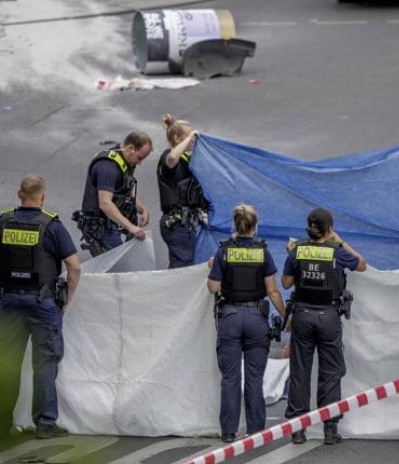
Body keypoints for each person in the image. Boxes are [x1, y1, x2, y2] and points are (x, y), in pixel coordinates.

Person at [0, 174, 81, 440]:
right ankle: (45, 424)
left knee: (9, 364)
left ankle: (0, 426)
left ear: (18, 194)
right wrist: (67, 299)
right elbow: (74, 267)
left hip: (11, 302)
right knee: (45, 364)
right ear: (42, 196)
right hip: (43, 304)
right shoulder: (52, 226)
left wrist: (4, 274)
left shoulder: (3, 223)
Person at [282, 208, 366, 445]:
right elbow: (362, 265)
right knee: (330, 372)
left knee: (300, 372)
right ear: (329, 230)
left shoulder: (298, 250)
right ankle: (330, 428)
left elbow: (286, 283)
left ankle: (298, 429)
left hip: (302, 315)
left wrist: (291, 256)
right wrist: (338, 240)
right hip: (329, 316)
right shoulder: (337, 252)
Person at [207, 204, 286, 443]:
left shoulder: (224, 251)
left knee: (230, 378)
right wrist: (286, 317)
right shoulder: (263, 252)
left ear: (235, 224)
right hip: (255, 319)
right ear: (255, 226)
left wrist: (214, 266)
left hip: (230, 317)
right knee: (254, 377)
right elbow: (272, 291)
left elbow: (213, 287)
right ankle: (255, 431)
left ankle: (229, 432)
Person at [74, 131, 153, 257]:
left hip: (112, 221)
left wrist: (142, 209)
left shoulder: (124, 159)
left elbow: (127, 191)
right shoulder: (108, 167)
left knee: (126, 260)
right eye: (140, 157)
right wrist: (131, 227)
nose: (140, 163)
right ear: (131, 148)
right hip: (100, 226)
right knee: (119, 264)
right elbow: (105, 204)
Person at [157, 114, 211, 268]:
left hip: (187, 223)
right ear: (177, 138)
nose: (193, 140)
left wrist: (201, 212)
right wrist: (190, 137)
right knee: (180, 268)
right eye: (189, 136)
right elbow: (172, 158)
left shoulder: (187, 162)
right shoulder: (168, 156)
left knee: (186, 264)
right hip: (177, 224)